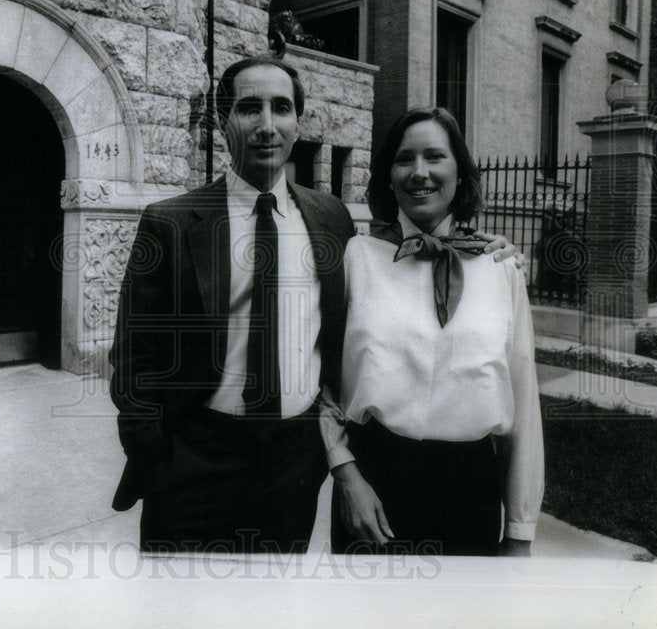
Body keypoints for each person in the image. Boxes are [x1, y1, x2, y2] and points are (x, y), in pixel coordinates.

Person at [109, 60, 516, 554]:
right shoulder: (169, 223)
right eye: (249, 108)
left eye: (281, 108)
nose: (267, 125)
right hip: (195, 465)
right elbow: (133, 361)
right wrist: (158, 461)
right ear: (224, 121)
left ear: (297, 122)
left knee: (274, 618)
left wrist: (482, 250)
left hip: (290, 470)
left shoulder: (330, 220)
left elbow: (390, 277)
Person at [320, 106, 544, 557]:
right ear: (388, 174)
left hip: (469, 490)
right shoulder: (356, 259)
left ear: (460, 173)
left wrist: (520, 529)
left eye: (435, 157)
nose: (419, 172)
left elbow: (523, 402)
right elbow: (320, 381)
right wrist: (345, 474)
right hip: (374, 490)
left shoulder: (500, 269)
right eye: (405, 159)